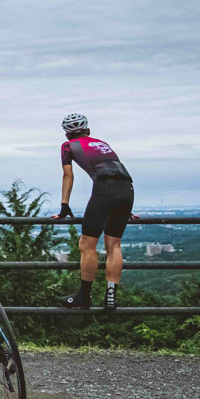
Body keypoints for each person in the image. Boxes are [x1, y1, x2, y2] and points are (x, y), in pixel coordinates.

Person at [51, 113, 136, 311]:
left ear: (67, 135)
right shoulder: (102, 143)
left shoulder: (68, 146)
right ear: (88, 131)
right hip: (127, 190)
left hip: (104, 190)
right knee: (114, 245)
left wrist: (65, 205)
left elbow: (67, 175)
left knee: (87, 244)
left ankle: (84, 296)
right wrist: (125, 209)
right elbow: (117, 171)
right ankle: (111, 296)